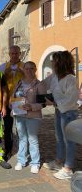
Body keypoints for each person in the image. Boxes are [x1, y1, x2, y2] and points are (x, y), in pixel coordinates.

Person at [42, 51, 79, 180]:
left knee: (69, 141)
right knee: (59, 138)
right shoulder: (54, 76)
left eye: (54, 60)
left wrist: (52, 102)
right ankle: (59, 161)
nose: (51, 63)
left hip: (69, 113)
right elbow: (42, 84)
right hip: (59, 111)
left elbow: (71, 99)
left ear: (61, 63)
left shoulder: (70, 79)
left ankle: (68, 168)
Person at [11, 61, 46, 174]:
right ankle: (21, 160)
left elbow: (43, 103)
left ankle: (35, 163)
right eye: (27, 68)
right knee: (22, 138)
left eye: (32, 68)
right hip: (20, 115)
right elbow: (13, 97)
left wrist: (31, 107)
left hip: (33, 116)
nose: (29, 70)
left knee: (32, 139)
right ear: (24, 70)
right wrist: (12, 104)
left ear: (35, 69)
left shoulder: (39, 84)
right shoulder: (19, 83)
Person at [0, 45, 24, 161]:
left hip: (20, 101)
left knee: (21, 128)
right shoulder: (3, 66)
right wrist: (4, 73)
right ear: (9, 54)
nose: (14, 55)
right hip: (7, 101)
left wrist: (23, 72)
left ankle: (22, 152)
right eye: (12, 53)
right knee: (8, 129)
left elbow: (32, 79)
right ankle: (8, 151)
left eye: (16, 53)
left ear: (20, 54)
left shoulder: (25, 66)